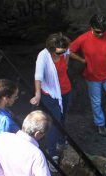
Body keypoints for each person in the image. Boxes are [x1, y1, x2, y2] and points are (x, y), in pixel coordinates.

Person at [69, 14, 106, 137]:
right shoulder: (83, 38)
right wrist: (81, 60)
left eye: (103, 32)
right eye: (97, 32)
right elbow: (69, 50)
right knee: (96, 102)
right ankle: (100, 124)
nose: (100, 34)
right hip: (92, 77)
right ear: (91, 27)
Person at [31, 33, 73, 165]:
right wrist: (38, 94)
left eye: (64, 51)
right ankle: (52, 152)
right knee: (54, 123)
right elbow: (38, 76)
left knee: (63, 117)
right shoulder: (43, 56)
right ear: (51, 50)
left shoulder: (64, 49)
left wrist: (64, 63)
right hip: (51, 94)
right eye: (60, 53)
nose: (63, 54)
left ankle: (61, 140)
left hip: (66, 90)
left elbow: (67, 56)